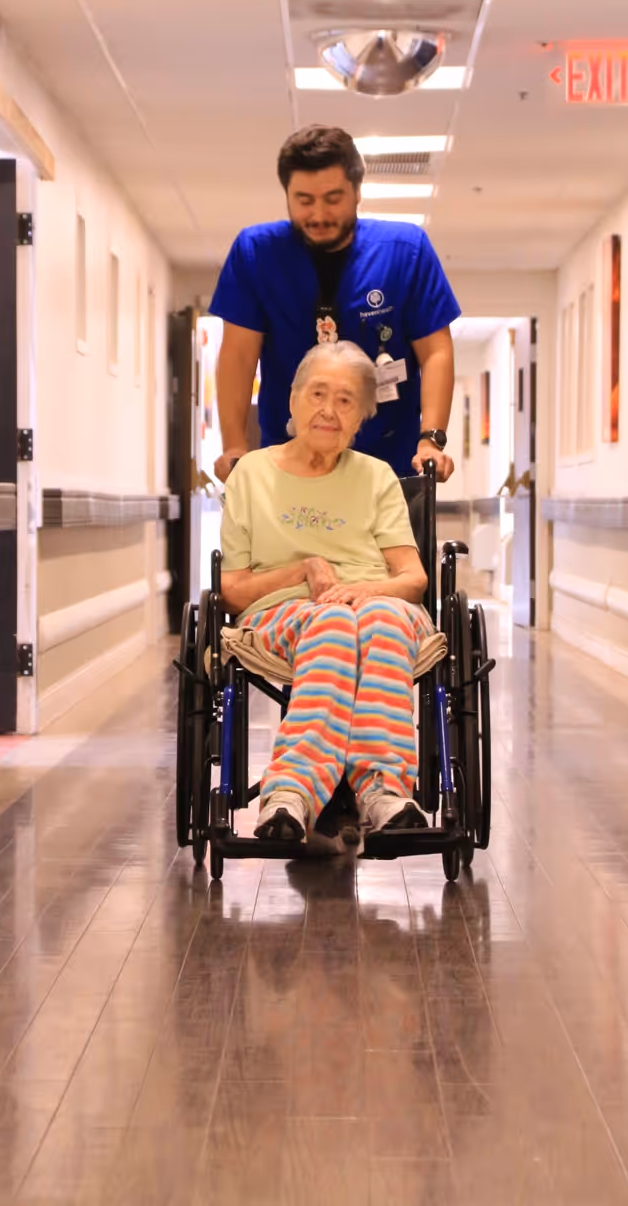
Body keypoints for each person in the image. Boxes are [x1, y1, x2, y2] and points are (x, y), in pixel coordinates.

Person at [219, 340, 435, 842]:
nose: (329, 411)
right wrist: (303, 570)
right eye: (318, 393)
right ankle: (291, 793)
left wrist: (366, 590)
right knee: (333, 621)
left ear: (361, 417)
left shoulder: (377, 476)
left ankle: (384, 791)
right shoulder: (250, 474)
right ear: (292, 401)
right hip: (279, 614)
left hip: (378, 606)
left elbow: (414, 579)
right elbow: (232, 592)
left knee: (373, 618)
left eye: (346, 401)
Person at [210, 124, 459, 484]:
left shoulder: (406, 252)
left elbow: (436, 351)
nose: (319, 214)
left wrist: (431, 439)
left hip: (389, 461)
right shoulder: (256, 254)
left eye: (333, 198)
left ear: (357, 192)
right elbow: (238, 356)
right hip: (289, 460)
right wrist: (234, 446)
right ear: (287, 195)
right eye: (304, 200)